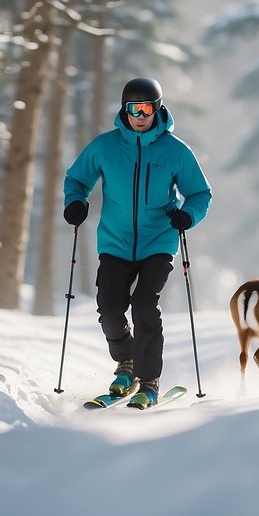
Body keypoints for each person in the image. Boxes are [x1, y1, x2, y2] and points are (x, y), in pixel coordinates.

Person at [62, 77, 212, 408]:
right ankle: (126, 364)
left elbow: (200, 193)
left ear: (157, 110)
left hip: (158, 240)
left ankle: (149, 380)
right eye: (133, 109)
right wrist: (75, 202)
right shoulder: (105, 146)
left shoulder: (175, 151)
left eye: (146, 109)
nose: (140, 116)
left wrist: (188, 215)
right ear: (124, 110)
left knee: (145, 304)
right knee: (110, 309)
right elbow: (76, 179)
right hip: (115, 241)